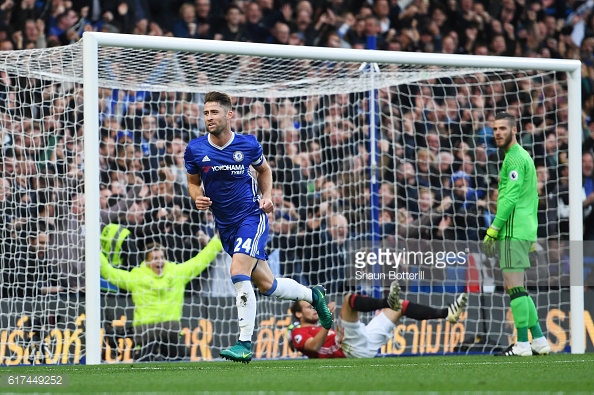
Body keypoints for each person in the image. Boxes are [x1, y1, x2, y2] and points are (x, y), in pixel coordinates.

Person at [184, 91, 332, 363]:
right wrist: (197, 197)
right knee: (267, 284)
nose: (209, 118)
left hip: (251, 217)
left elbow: (264, 170)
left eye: (214, 112)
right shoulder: (195, 149)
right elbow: (193, 181)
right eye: (205, 113)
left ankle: (243, 343)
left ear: (229, 114)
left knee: (238, 270)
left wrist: (267, 196)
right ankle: (314, 295)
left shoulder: (248, 145)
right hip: (226, 226)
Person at [482, 112, 551, 357]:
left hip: (513, 230)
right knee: (516, 286)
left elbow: (510, 198)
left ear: (514, 130)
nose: (497, 133)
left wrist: (494, 228)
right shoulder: (523, 156)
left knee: (514, 286)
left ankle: (522, 344)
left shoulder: (513, 159)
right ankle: (539, 340)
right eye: (494, 129)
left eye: (502, 128)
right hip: (523, 229)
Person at [99, 234, 222, 362]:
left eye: (162, 257)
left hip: (170, 331)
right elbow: (110, 273)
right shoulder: (137, 277)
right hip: (146, 331)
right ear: (147, 262)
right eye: (155, 258)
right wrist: (97, 253)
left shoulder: (177, 273)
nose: (159, 261)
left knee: (177, 351)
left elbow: (200, 261)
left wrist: (216, 241)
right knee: (147, 354)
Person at [289, 282, 468, 358]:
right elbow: (313, 347)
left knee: (398, 307)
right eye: (309, 307)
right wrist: (326, 320)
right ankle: (385, 301)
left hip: (364, 342)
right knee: (349, 300)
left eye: (314, 306)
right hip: (348, 349)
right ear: (298, 314)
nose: (314, 309)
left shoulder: (317, 327)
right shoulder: (297, 333)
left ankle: (446, 313)